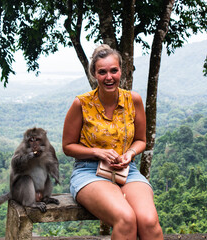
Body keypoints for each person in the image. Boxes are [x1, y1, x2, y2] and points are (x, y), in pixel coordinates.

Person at [62, 44, 164, 240]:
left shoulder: (133, 100)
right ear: (94, 74)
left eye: (113, 70)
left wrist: (130, 154)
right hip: (89, 171)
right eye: (102, 72)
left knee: (148, 221)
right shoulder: (81, 104)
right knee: (126, 219)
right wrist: (97, 152)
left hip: (127, 170)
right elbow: (67, 147)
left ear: (121, 71)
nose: (109, 77)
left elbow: (141, 140)